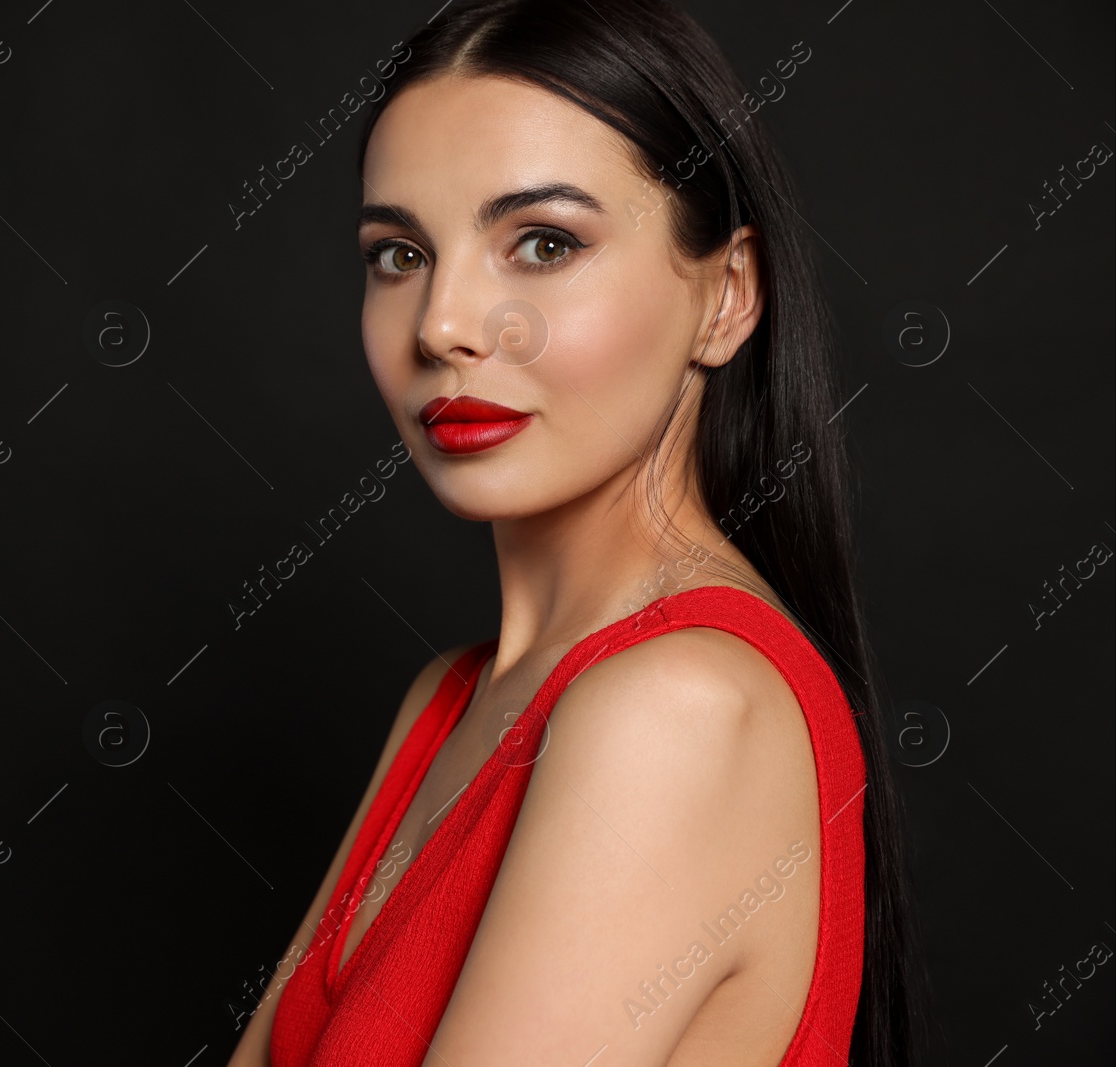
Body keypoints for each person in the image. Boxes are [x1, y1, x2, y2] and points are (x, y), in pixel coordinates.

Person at [228, 1, 916, 1063]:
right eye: (399, 253)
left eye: (543, 242)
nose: (444, 321)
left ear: (726, 297)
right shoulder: (449, 696)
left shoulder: (677, 710)